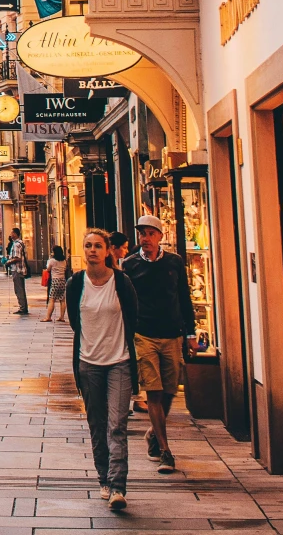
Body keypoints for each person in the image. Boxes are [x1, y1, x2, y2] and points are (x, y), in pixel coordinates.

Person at [66, 229, 139, 513]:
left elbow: (132, 317)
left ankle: (118, 486)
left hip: (119, 361)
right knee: (97, 423)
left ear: (108, 250)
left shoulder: (122, 282)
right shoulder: (76, 284)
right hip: (88, 363)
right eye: (88, 246)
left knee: (117, 425)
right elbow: (75, 321)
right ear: (83, 250)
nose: (92, 250)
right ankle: (104, 478)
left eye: (98, 245)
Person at [122, 214, 198, 474]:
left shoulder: (175, 263)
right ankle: (165, 451)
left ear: (160, 237)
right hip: (144, 335)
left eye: (150, 234)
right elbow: (125, 303)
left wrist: (190, 332)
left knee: (169, 391)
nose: (145, 239)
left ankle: (154, 433)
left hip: (173, 334)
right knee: (153, 391)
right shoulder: (130, 265)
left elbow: (184, 298)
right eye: (142, 234)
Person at [42, 245, 68, 323]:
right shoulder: (64, 261)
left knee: (52, 299)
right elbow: (65, 269)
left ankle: (48, 317)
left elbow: (48, 269)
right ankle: (62, 317)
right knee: (62, 300)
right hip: (63, 281)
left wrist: (50, 259)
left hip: (55, 281)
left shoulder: (52, 261)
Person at [6, 228, 29, 314]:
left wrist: (8, 262)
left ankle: (22, 308)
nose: (10, 234)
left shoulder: (16, 244)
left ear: (15, 234)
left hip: (17, 269)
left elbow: (17, 258)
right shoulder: (20, 243)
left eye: (12, 233)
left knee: (18, 289)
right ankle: (24, 307)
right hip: (20, 269)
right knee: (21, 289)